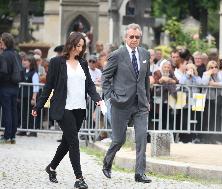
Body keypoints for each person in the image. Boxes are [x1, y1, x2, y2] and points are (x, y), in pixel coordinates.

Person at [31, 32, 103, 189]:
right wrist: (38, 105)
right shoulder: (57, 62)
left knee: (67, 141)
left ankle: (51, 168)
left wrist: (97, 99)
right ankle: (79, 178)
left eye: (82, 47)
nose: (80, 49)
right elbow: (49, 86)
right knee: (74, 142)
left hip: (79, 108)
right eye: (78, 46)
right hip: (63, 108)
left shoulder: (83, 63)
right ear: (70, 44)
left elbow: (89, 85)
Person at [101, 23, 152, 183]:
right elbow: (105, 77)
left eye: (137, 37)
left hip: (141, 104)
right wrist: (110, 97)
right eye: (131, 37)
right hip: (120, 103)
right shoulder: (117, 55)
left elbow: (145, 80)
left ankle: (139, 173)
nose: (134, 39)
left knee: (142, 138)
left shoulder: (145, 54)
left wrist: (147, 100)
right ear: (125, 38)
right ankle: (107, 162)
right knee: (119, 139)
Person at [0, 32, 22, 144]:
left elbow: (3, 72)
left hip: (5, 87)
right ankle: (12, 136)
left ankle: (7, 136)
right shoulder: (16, 54)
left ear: (4, 42)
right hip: (15, 87)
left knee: (7, 112)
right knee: (13, 111)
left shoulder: (4, 55)